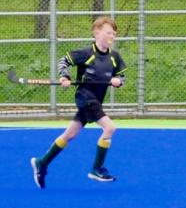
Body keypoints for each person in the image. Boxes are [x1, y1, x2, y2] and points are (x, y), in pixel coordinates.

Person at [30, 17, 127, 189]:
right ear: (97, 33)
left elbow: (122, 76)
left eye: (114, 33)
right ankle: (96, 169)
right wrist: (65, 76)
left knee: (70, 135)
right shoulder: (86, 53)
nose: (112, 35)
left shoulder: (114, 57)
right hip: (85, 97)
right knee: (110, 128)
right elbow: (63, 61)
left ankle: (42, 163)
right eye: (108, 32)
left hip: (96, 100)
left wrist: (118, 80)